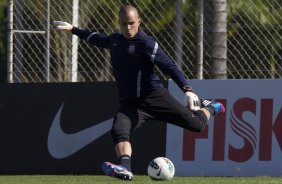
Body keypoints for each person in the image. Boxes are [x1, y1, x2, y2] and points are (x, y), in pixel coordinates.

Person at [54, 4, 225, 181]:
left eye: (131, 23)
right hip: (131, 104)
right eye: (123, 24)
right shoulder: (115, 40)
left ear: (139, 22)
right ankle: (125, 168)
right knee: (119, 130)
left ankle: (211, 107)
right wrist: (72, 29)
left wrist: (187, 90)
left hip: (155, 98)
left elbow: (170, 67)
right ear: (119, 23)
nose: (128, 28)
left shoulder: (147, 43)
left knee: (197, 125)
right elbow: (96, 38)